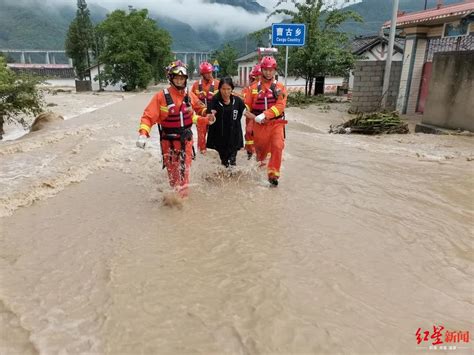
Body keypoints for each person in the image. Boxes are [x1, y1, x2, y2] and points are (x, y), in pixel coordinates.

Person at [136, 60, 207, 198]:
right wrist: (143, 134)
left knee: (184, 171)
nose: (180, 81)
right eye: (177, 78)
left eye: (182, 78)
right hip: (168, 141)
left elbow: (200, 107)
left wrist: (207, 114)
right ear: (171, 78)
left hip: (185, 139)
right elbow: (148, 116)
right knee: (172, 173)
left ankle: (182, 201)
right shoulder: (161, 97)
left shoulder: (189, 95)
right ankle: (174, 196)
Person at [244, 56, 288, 187]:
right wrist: (245, 111)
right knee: (261, 154)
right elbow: (247, 106)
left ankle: (273, 175)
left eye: (271, 70)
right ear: (262, 70)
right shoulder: (252, 88)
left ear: (274, 70)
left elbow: (280, 106)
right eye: (266, 70)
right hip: (259, 125)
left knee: (277, 146)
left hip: (276, 124)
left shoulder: (280, 87)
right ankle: (259, 172)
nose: (268, 72)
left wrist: (265, 114)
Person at [206, 77, 246, 168]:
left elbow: (246, 113)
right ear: (219, 89)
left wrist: (259, 118)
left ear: (232, 89)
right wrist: (211, 116)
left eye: (228, 89)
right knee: (224, 162)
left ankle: (232, 180)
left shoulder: (238, 101)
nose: (226, 92)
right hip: (220, 136)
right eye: (223, 89)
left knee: (232, 162)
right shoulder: (214, 100)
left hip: (234, 135)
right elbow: (209, 115)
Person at [191, 62, 220, 154]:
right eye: (207, 73)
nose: (209, 74)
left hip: (215, 115)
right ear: (202, 74)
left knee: (218, 135)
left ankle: (218, 152)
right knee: (201, 136)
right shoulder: (195, 85)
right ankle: (202, 153)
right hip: (201, 116)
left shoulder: (218, 84)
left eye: (210, 72)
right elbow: (191, 100)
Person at [242, 64, 262, 159]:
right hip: (252, 117)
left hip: (260, 118)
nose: (252, 81)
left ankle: (252, 154)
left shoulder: (251, 88)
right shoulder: (248, 89)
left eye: (253, 78)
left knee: (250, 134)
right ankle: (251, 153)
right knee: (250, 134)